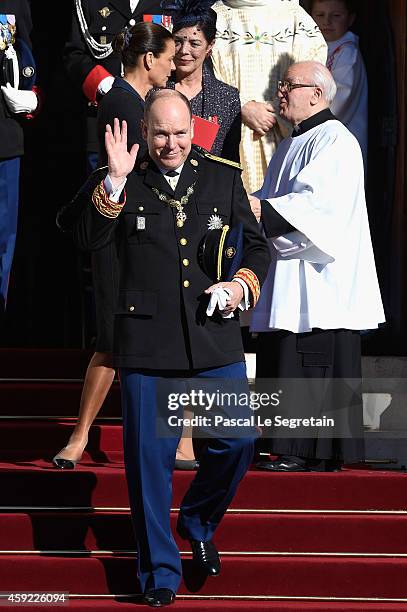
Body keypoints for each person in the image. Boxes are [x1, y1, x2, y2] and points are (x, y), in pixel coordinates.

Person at [73, 88, 270, 606]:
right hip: (146, 340)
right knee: (149, 465)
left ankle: (199, 519)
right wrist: (112, 183)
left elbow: (253, 245)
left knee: (238, 441)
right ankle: (160, 574)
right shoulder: (121, 179)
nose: (172, 143)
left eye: (181, 133)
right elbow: (84, 238)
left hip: (211, 335)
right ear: (144, 131)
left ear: (192, 130)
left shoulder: (222, 176)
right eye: (161, 133)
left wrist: (239, 286)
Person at [248, 61, 385, 472]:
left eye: (290, 85)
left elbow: (317, 205)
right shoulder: (295, 141)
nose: (281, 91)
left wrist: (259, 208)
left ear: (318, 93)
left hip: (320, 281)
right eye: (282, 84)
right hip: (293, 275)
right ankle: (293, 446)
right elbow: (273, 197)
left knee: (310, 359)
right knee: (289, 356)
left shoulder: (335, 140)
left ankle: (302, 450)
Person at [53, 22, 176, 470]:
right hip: (116, 235)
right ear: (149, 60)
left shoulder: (136, 99)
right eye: (166, 58)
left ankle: (169, 441)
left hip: (137, 234)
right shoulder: (124, 101)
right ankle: (80, 434)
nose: (171, 65)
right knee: (110, 336)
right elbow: (127, 171)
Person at [210, 0, 327, 194]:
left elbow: (314, 72)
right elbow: (197, 75)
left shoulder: (297, 18)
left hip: (285, 136)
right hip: (231, 137)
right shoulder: (215, 17)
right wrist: (241, 106)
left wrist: (279, 107)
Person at [64, 0, 174, 170]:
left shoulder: (167, 2)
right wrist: (104, 83)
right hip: (102, 112)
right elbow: (75, 54)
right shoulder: (89, 3)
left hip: (153, 107)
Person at [165, 0, 241, 162]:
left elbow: (230, 160)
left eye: (194, 43)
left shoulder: (227, 98)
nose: (184, 51)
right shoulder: (155, 91)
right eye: (178, 41)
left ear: (210, 46)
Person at [0, 0, 39, 315]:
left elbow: (25, 56)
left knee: (2, 243)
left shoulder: (14, 2)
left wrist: (32, 95)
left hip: (3, 140)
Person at [310, 0, 368, 167]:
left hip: (340, 142)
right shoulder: (320, 47)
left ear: (350, 19)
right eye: (320, 15)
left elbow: (338, 103)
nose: (326, 22)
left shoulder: (347, 54)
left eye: (336, 15)